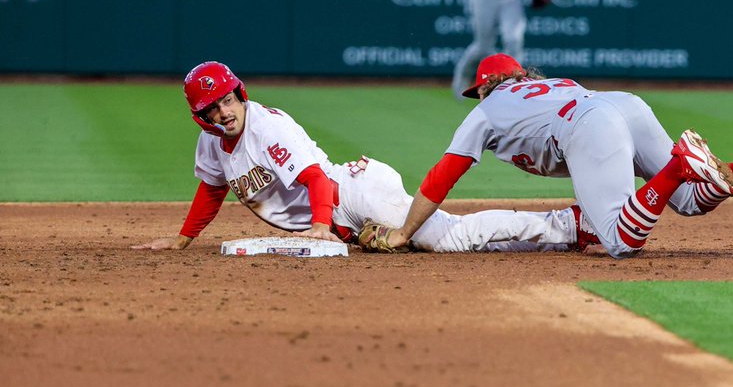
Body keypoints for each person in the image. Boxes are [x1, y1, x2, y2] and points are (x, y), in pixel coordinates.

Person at [359, 54, 733, 260]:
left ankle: (682, 163)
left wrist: (403, 234)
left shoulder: (484, 112)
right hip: (621, 104)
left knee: (620, 240)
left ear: (483, 87)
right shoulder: (547, 83)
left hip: (591, 124)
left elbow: (442, 177)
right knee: (688, 200)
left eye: (476, 90)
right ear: (519, 75)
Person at [133, 62, 587, 255]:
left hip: (351, 193)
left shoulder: (265, 125)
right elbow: (212, 188)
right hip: (344, 208)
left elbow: (315, 179)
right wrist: (183, 238)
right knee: (450, 240)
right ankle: (565, 234)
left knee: (450, 238)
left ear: (239, 92)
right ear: (201, 118)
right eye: (212, 109)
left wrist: (320, 227)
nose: (224, 111)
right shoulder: (213, 143)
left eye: (227, 100)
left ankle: (567, 224)